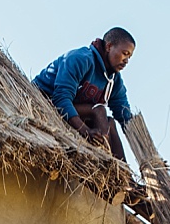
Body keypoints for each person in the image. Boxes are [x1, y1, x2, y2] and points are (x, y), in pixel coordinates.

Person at [32, 28, 136, 160]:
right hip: (45, 104)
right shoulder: (80, 59)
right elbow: (61, 98)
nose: (126, 61)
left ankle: (124, 175)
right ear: (109, 46)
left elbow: (125, 116)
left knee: (110, 123)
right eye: (124, 53)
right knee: (99, 111)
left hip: (74, 111)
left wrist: (150, 157)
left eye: (129, 57)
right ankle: (105, 161)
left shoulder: (114, 81)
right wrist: (86, 131)